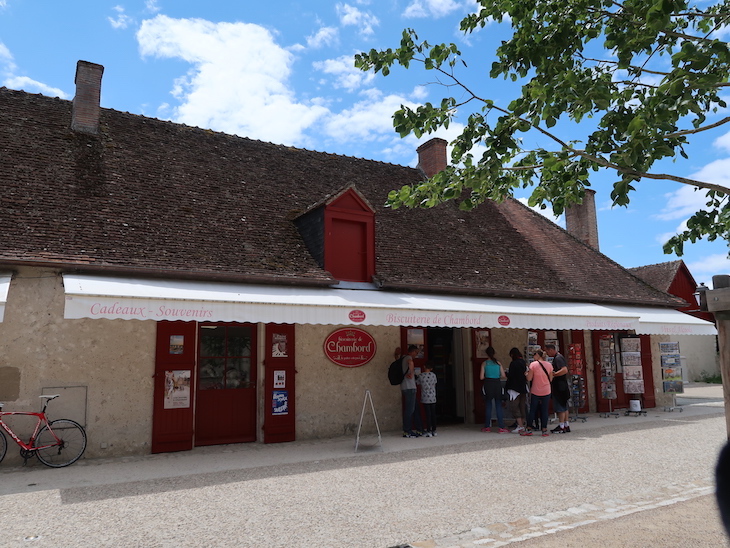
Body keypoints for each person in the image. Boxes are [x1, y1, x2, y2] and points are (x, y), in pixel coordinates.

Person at [522, 349, 553, 437]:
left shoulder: (533, 365)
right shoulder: (549, 365)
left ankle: (529, 429)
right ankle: (544, 430)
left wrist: (526, 374)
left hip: (536, 390)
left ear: (537, 355)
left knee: (532, 410)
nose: (533, 357)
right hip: (546, 390)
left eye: (533, 355)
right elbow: (551, 379)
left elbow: (529, 378)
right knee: (544, 410)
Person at [479, 346, 508, 433]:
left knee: (488, 405)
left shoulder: (484, 363)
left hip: (488, 383)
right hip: (497, 383)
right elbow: (503, 375)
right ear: (494, 353)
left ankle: (487, 426)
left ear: (486, 354)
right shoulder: (498, 363)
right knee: (498, 404)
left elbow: (481, 377)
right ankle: (501, 427)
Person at [546, 344, 571, 433]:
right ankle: (566, 424)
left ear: (551, 350)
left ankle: (561, 426)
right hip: (562, 384)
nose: (547, 353)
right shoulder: (559, 357)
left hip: (559, 386)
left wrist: (554, 374)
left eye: (547, 351)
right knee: (564, 406)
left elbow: (564, 370)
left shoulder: (558, 358)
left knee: (560, 406)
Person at [401, 345, 423, 437]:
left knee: (415, 408)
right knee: (410, 410)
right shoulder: (408, 358)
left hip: (405, 387)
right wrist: (411, 372)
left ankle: (419, 429)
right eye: (416, 353)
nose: (416, 355)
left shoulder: (402, 358)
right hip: (410, 387)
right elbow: (410, 362)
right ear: (412, 351)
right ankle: (407, 431)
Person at [505, 348, 528, 433]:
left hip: (514, 388)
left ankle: (520, 425)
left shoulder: (513, 364)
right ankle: (523, 423)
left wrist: (506, 373)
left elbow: (511, 375)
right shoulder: (523, 362)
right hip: (523, 387)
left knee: (514, 406)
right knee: (522, 406)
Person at [417, 361, 438, 437]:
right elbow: (434, 384)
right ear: (431, 368)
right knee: (433, 414)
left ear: (424, 367)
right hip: (433, 397)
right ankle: (434, 430)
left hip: (425, 397)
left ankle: (428, 430)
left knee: (428, 414)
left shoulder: (421, 376)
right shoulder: (434, 375)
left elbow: (418, 384)